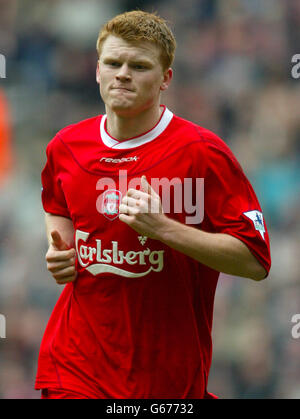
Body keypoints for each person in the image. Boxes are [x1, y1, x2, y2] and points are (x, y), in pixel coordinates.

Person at [35, 10, 271, 399]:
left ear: (166, 79)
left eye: (139, 65)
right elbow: (56, 203)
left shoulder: (201, 153)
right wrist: (59, 245)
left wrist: (162, 227)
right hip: (75, 366)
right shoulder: (66, 146)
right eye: (113, 63)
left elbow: (255, 260)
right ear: (97, 71)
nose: (123, 73)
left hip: (166, 378)